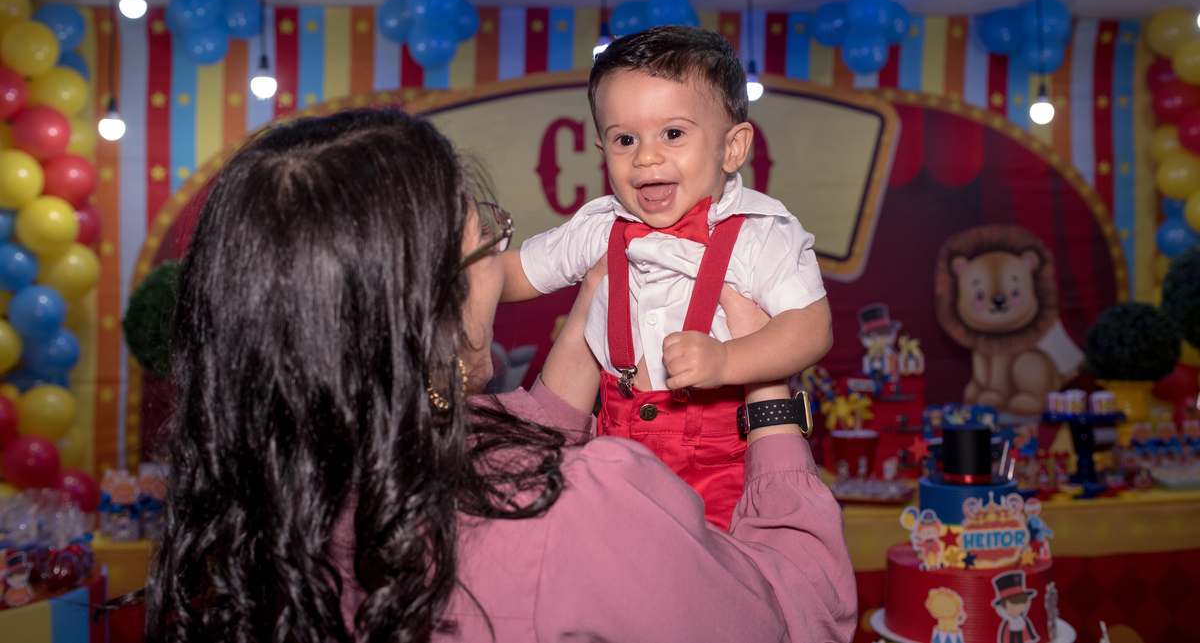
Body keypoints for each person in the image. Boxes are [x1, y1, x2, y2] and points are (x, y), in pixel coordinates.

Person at [145, 108, 856, 642]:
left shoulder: (272, 495)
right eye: (486, 236)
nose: (500, 256)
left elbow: (512, 441)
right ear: (432, 303)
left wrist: (593, 307)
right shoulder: (588, 513)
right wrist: (766, 384)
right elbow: (799, 613)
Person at [500, 25, 833, 527]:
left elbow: (810, 328)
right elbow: (516, 273)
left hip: (722, 476)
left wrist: (727, 359)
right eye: (625, 139)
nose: (646, 156)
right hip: (617, 467)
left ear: (732, 147)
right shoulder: (599, 227)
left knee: (720, 573)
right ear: (602, 151)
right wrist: (441, 269)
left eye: (673, 134)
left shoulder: (762, 234)